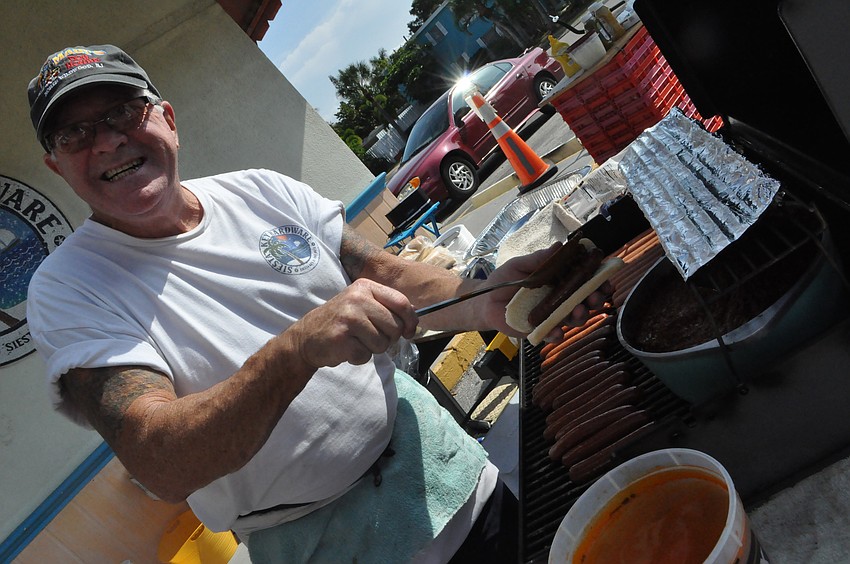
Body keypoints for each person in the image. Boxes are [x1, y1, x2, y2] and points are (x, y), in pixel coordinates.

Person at [25, 45, 604, 563]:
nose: (104, 140)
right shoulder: (69, 289)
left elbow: (384, 272)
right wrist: (297, 349)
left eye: (121, 111)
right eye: (73, 135)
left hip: (453, 479)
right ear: (56, 165)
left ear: (167, 120)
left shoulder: (260, 191)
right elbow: (157, 459)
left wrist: (482, 299)